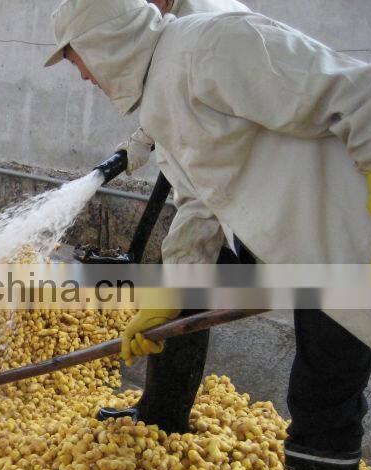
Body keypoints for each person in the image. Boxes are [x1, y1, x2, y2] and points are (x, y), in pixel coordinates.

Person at [45, 0, 371, 470]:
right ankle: (163, 416)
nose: (81, 74)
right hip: (283, 241)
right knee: (194, 290)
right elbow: (199, 201)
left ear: (105, 39)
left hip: (356, 243)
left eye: (76, 59)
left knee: (323, 398)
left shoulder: (215, 45)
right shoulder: (160, 94)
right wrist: (174, 289)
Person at [97, 0, 253, 434]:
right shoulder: (178, 31)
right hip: (243, 195)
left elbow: (204, 186)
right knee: (188, 288)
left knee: (186, 290)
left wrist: (176, 279)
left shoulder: (194, 31)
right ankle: (162, 413)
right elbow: (166, 114)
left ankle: (163, 420)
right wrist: (134, 148)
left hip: (259, 202)